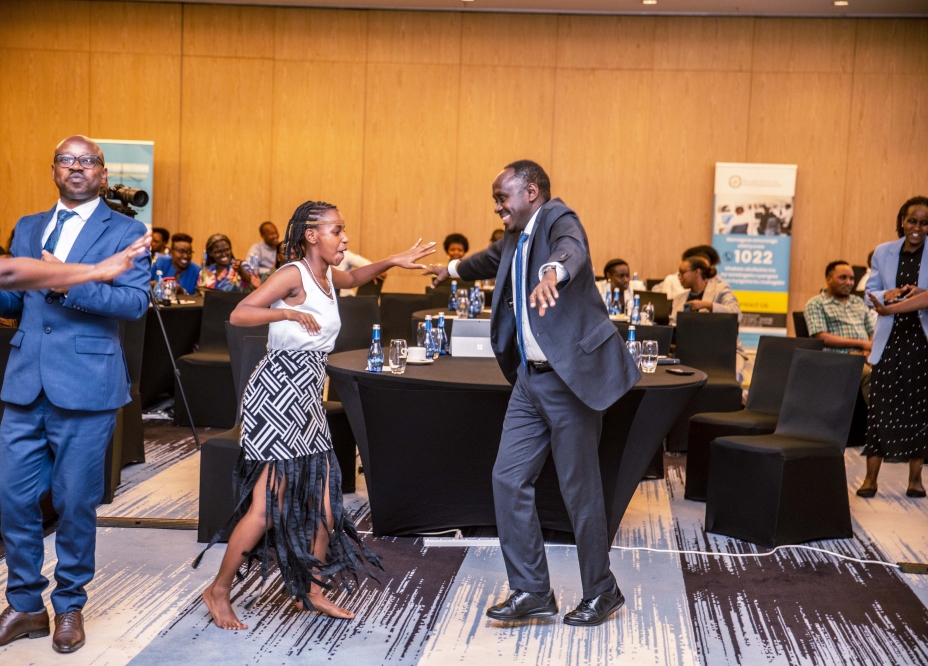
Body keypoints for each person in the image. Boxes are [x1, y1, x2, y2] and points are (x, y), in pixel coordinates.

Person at [198, 200, 435, 628]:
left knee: (328, 503)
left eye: (344, 230)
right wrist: (287, 311)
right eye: (336, 230)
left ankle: (310, 589)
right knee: (267, 506)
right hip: (277, 394)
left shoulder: (328, 276)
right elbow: (239, 313)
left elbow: (355, 276)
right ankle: (217, 590)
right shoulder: (293, 275)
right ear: (311, 235)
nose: (345, 237)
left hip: (307, 395)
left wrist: (393, 261)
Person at [424, 161, 640, 627]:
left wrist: (552, 275)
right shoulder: (513, 238)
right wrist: (450, 268)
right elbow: (486, 260)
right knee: (507, 478)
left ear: (532, 191)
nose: (499, 208)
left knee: (579, 491)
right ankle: (531, 591)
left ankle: (602, 591)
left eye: (504, 198)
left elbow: (571, 252)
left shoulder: (560, 219)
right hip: (529, 380)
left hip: (568, 380)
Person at [0, 136, 150, 654]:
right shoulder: (28, 227)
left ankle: (69, 606)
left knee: (74, 502)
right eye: (66, 160)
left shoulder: (127, 231)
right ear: (53, 171)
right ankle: (25, 606)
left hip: (88, 385)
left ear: (103, 174)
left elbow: (133, 303)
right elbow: (19, 301)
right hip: (26, 382)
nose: (76, 168)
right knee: (13, 498)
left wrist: (69, 284)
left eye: (87, 161)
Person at [858, 196, 928, 499]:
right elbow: (868, 294)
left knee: (919, 409)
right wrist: (890, 294)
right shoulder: (883, 252)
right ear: (902, 220)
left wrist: (915, 295)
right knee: (880, 407)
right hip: (890, 340)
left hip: (921, 341)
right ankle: (870, 479)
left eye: (924, 223)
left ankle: (915, 480)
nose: (917, 227)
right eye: (912, 220)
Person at [804, 261, 875, 402]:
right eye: (843, 278)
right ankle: (878, 421)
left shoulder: (858, 302)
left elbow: (873, 330)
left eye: (852, 278)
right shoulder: (816, 303)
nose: (849, 283)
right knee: (869, 374)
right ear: (828, 279)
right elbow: (821, 337)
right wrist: (862, 344)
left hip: (865, 356)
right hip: (837, 359)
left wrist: (868, 350)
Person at [653, 245, 722, 300]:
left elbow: (730, 310)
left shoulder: (719, 285)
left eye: (704, 267)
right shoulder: (672, 281)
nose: (702, 270)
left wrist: (709, 305)